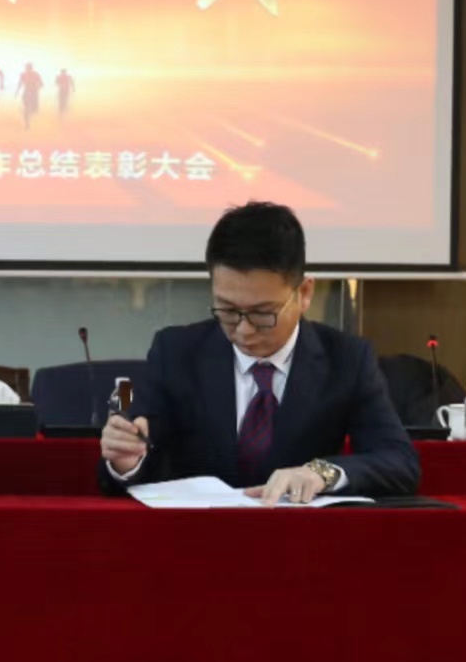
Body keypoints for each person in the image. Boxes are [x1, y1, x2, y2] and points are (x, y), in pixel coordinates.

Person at [100, 202, 418, 501]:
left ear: (304, 293)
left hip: (301, 534)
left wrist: (321, 473)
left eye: (263, 313)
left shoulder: (347, 359)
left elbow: (398, 461)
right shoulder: (176, 352)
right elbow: (139, 455)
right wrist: (127, 461)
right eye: (227, 310)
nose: (244, 330)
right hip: (199, 532)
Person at [17, 62, 44, 129]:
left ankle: (28, 115)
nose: (27, 69)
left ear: (31, 68)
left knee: (34, 109)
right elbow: (20, 83)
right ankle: (27, 123)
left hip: (34, 92)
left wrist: (38, 87)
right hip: (27, 92)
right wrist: (17, 91)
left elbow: (41, 83)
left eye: (29, 68)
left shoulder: (36, 74)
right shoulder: (23, 74)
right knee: (26, 108)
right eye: (27, 68)